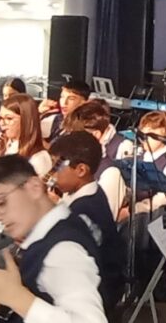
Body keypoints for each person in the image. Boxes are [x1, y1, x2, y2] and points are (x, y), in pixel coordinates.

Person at [0, 155, 106, 323]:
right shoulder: (51, 232)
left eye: (1, 203)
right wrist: (5, 308)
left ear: (34, 187)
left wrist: (16, 297)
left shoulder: (62, 251)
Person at [48, 131, 125, 319]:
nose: (51, 174)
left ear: (81, 170)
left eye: (57, 167)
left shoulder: (84, 210)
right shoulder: (90, 194)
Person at [70, 100, 130, 218]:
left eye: (75, 135)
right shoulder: (71, 163)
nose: (70, 140)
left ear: (96, 135)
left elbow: (101, 219)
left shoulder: (110, 173)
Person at [0, 94, 53, 177]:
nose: (2, 123)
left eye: (9, 118)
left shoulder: (39, 158)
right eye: (0, 118)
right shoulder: (3, 147)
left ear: (26, 120)